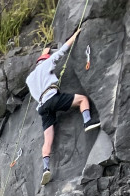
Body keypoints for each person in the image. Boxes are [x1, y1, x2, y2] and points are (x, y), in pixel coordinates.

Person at [26, 27, 100, 187]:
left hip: (42, 107)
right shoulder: (47, 64)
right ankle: (87, 122)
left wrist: (44, 52)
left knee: (47, 140)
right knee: (82, 100)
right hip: (52, 97)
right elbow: (62, 51)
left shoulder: (30, 78)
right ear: (45, 60)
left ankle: (46, 168)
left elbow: (43, 57)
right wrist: (75, 35)